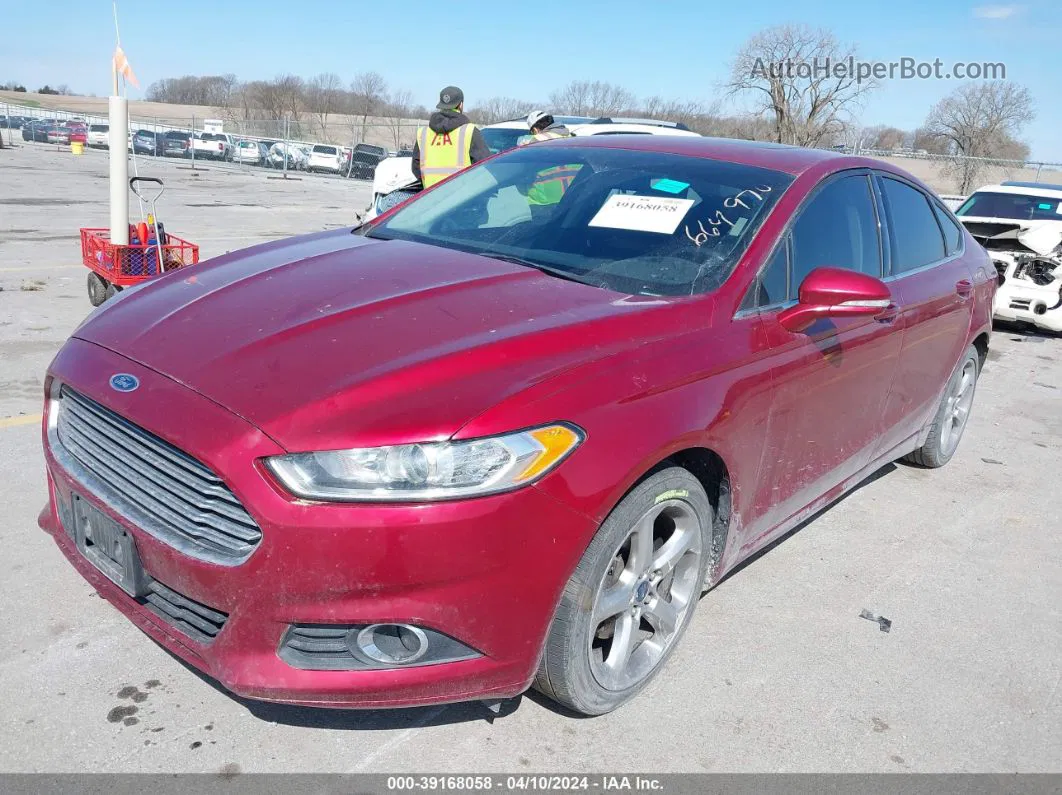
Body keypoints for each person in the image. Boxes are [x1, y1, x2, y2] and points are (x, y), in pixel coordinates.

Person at [411, 86, 491, 188]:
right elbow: (485, 166)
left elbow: (416, 167)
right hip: (462, 198)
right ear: (461, 105)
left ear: (441, 105)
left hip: (430, 198)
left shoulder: (423, 133)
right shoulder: (469, 131)